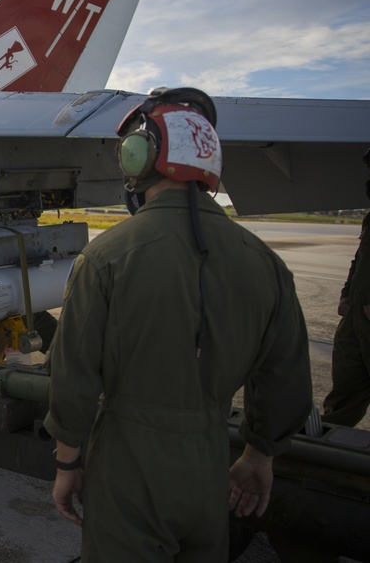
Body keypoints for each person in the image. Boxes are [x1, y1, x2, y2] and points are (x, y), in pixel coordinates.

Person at [43, 88, 312, 561]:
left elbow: (74, 377)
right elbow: (285, 377)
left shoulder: (106, 257)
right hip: (211, 467)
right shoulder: (266, 265)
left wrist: (68, 462)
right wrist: (258, 454)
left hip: (129, 469)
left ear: (141, 158)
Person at [322, 147, 370, 427]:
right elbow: (359, 262)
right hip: (356, 319)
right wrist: (346, 295)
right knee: (345, 392)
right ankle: (327, 452)